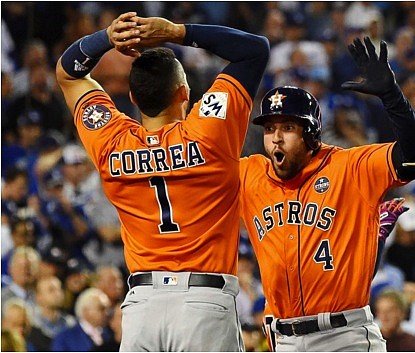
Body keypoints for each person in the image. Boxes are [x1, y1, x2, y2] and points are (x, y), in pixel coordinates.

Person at [55, 11, 269, 352]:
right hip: (204, 302)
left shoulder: (112, 140)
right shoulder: (210, 130)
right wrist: (176, 31)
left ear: (134, 99)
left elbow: (68, 72)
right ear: (184, 93)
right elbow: (254, 49)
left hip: (142, 308)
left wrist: (108, 39)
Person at [239, 36, 415, 351]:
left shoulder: (350, 167)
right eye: (269, 129)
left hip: (344, 337)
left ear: (310, 134)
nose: (276, 139)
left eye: (288, 128)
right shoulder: (250, 174)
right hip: (284, 339)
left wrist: (392, 97)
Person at [51, 287, 112, 352]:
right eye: (101, 308)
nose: (107, 313)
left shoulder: (110, 335)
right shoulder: (65, 338)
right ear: (86, 312)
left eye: (107, 309)